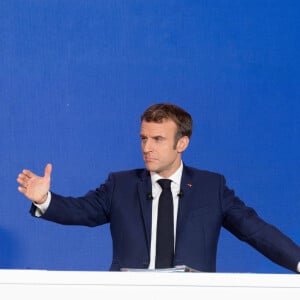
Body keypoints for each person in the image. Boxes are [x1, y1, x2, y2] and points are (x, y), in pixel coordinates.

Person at [17, 103, 300, 273]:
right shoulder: (121, 184)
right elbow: (81, 211)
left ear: (182, 143)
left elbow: (256, 231)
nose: (147, 148)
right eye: (143, 138)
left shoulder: (210, 187)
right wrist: (45, 199)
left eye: (157, 139)